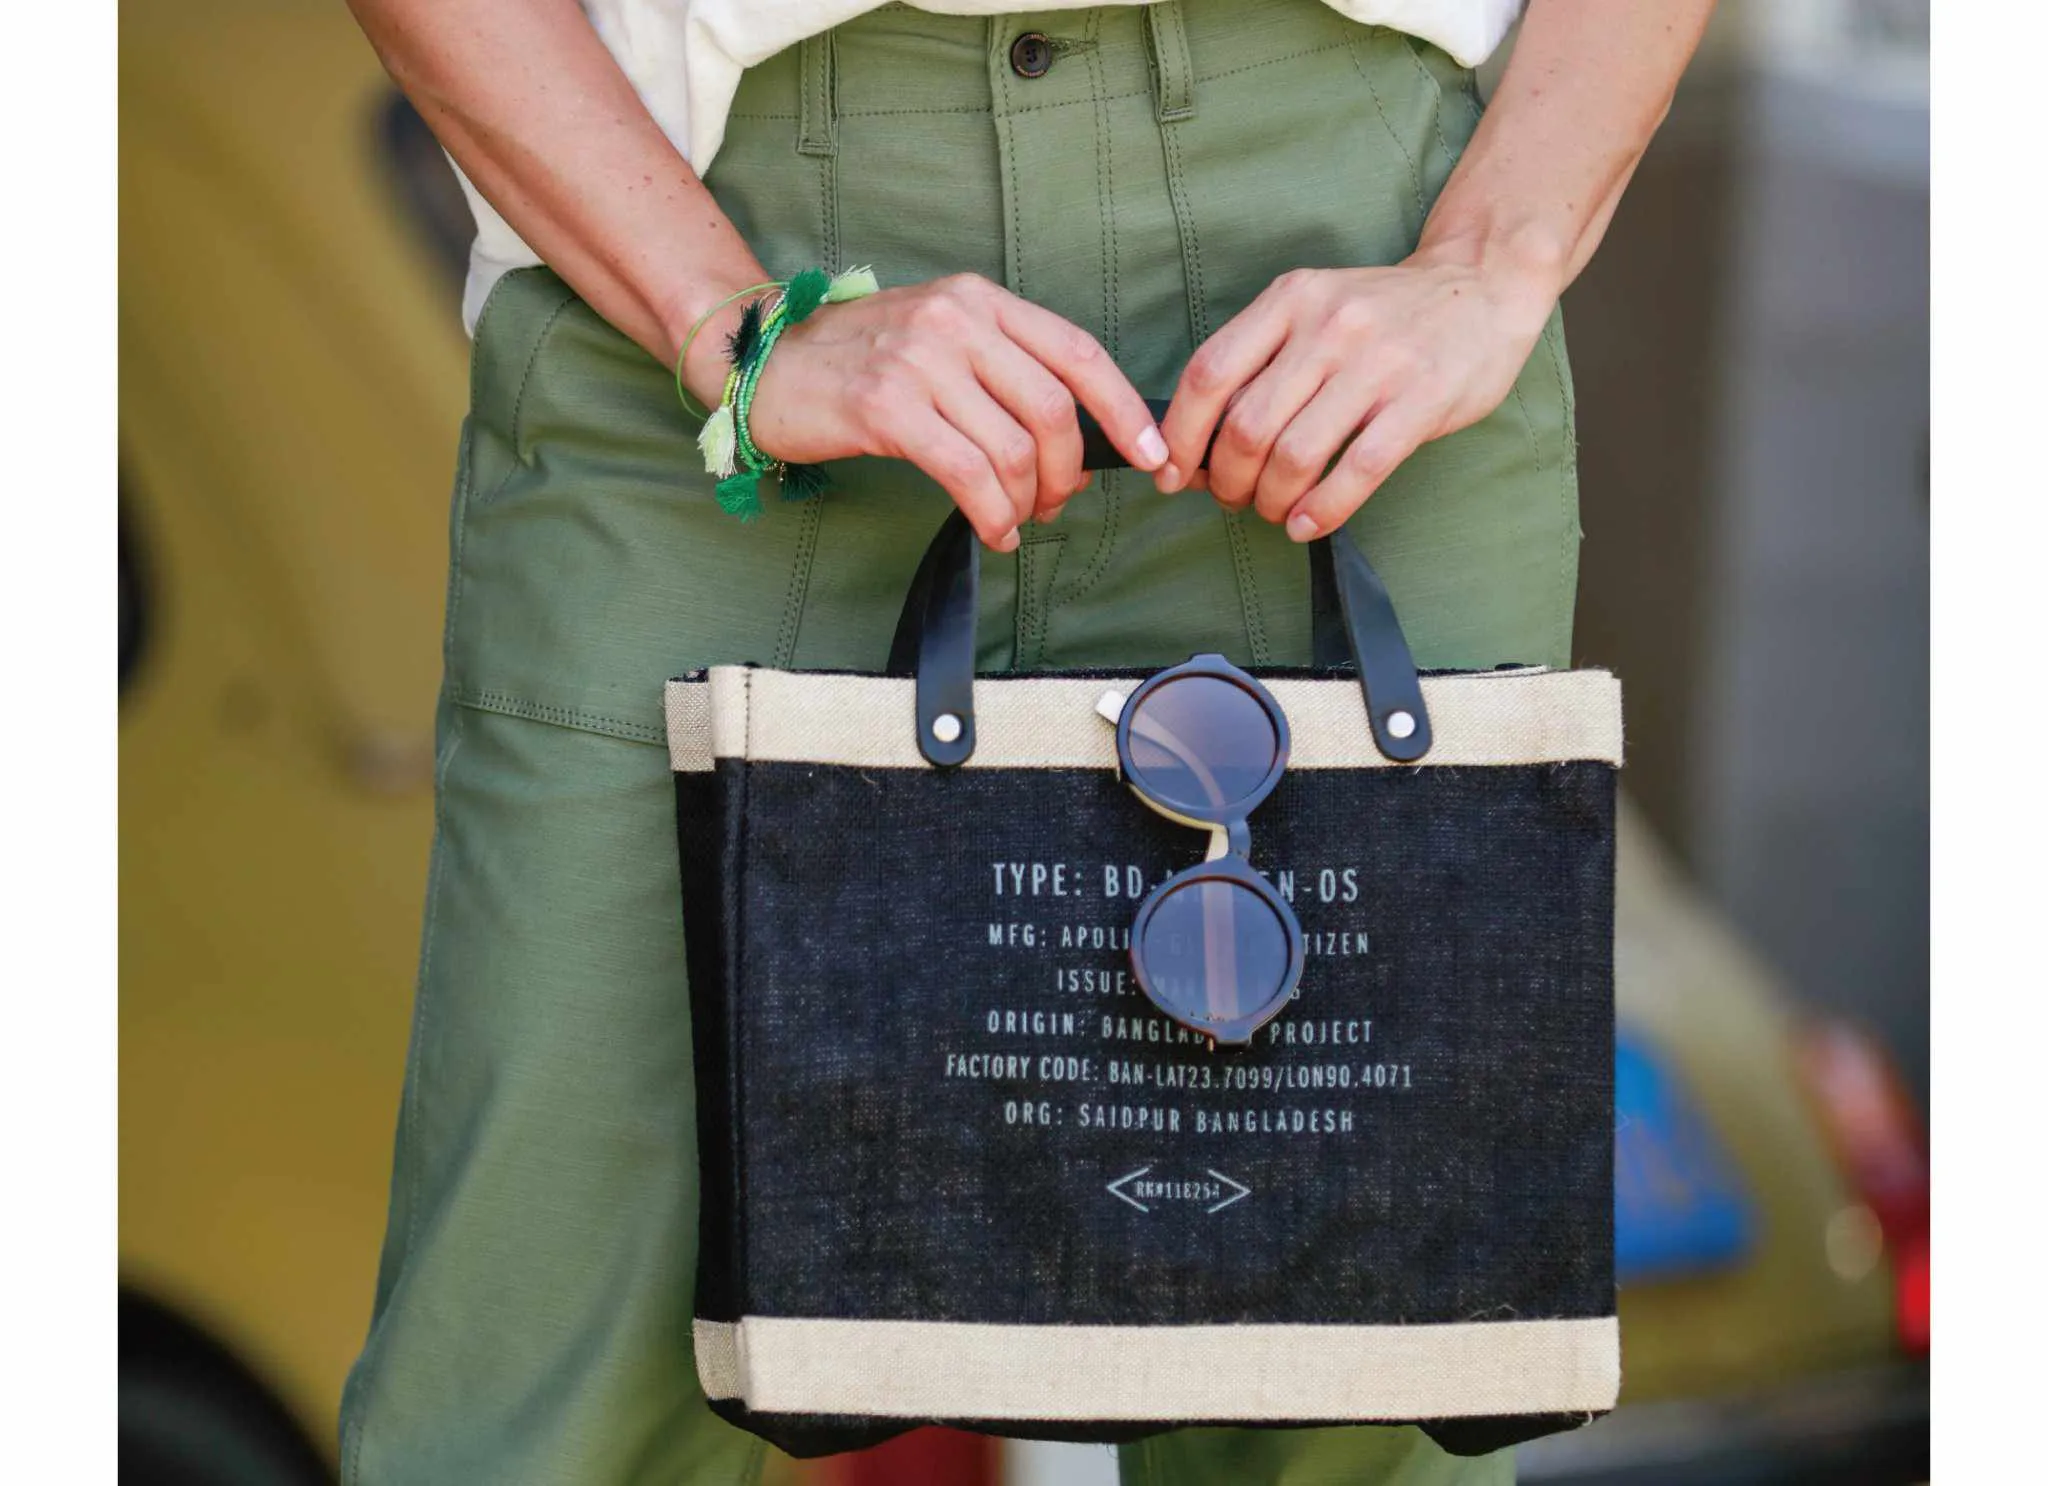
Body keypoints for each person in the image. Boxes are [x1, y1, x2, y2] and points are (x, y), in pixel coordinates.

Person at [335, 2, 1713, 1482]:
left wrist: (1499, 252)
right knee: (542, 1396)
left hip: (1353, 282)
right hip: (710, 235)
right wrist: (714, 313)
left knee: (1362, 1409)